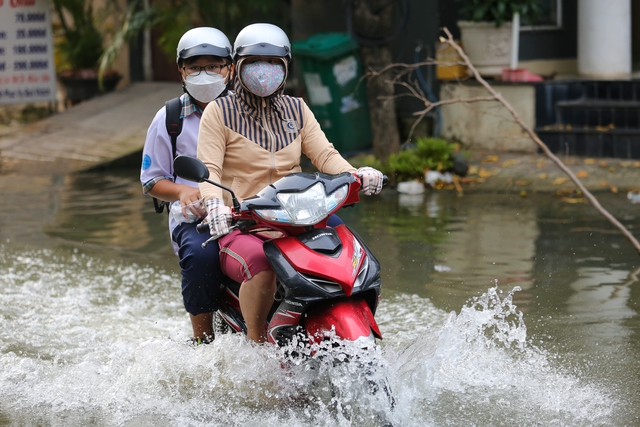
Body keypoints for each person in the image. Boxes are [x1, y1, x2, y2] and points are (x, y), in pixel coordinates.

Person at [196, 23, 384, 343]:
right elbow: (209, 170)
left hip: (299, 212)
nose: (263, 70)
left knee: (353, 254)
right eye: (254, 62)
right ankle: (259, 349)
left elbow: (325, 156)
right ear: (238, 66)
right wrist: (215, 204)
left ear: (285, 67)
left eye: (273, 63)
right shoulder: (219, 111)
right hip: (244, 219)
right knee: (261, 265)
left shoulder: (296, 109)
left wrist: (358, 173)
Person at [140, 27, 234, 345]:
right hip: (195, 219)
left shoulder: (246, 111)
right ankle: (202, 339)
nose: (204, 74)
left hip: (245, 209)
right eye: (195, 67)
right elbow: (151, 180)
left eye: (213, 66)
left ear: (230, 69)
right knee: (200, 257)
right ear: (182, 71)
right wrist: (182, 191)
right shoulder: (169, 118)